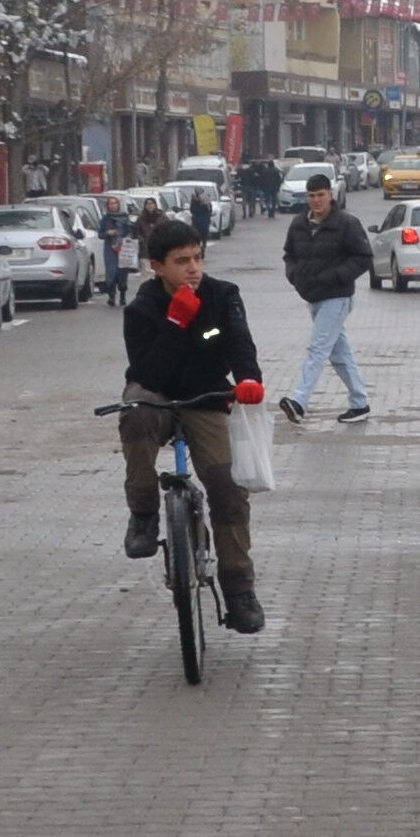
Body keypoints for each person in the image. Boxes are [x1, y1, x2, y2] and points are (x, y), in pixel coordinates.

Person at [117, 213, 269, 632]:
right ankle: (144, 511)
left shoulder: (223, 296)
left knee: (228, 489)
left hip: (205, 397)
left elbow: (240, 343)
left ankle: (239, 590)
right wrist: (175, 322)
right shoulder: (142, 309)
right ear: (158, 267)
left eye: (198, 258)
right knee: (136, 412)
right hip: (159, 395)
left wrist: (249, 379)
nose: (194, 268)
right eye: (182, 261)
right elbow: (149, 374)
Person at [274, 176, 374, 426]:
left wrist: (336, 277)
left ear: (330, 194)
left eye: (320, 194)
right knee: (340, 354)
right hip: (313, 297)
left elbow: (363, 257)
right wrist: (295, 277)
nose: (316, 200)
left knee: (317, 349)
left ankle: (299, 401)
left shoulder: (347, 224)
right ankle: (360, 402)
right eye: (311, 195)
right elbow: (289, 255)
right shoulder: (299, 224)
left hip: (337, 296)